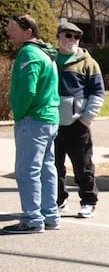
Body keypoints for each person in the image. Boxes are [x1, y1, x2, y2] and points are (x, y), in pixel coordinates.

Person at [2, 14, 60, 234]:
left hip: (33, 119)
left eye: (13, 29)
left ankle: (33, 219)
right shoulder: (46, 52)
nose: (9, 32)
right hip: (49, 118)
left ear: (28, 32)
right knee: (46, 168)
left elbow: (27, 89)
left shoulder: (28, 53)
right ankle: (50, 215)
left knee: (27, 170)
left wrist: (18, 112)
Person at [54, 21, 104, 218]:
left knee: (83, 166)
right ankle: (59, 200)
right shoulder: (50, 60)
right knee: (53, 166)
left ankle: (89, 201)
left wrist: (86, 118)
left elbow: (98, 93)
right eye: (68, 35)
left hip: (77, 124)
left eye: (76, 37)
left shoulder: (88, 63)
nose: (72, 40)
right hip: (52, 123)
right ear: (58, 36)